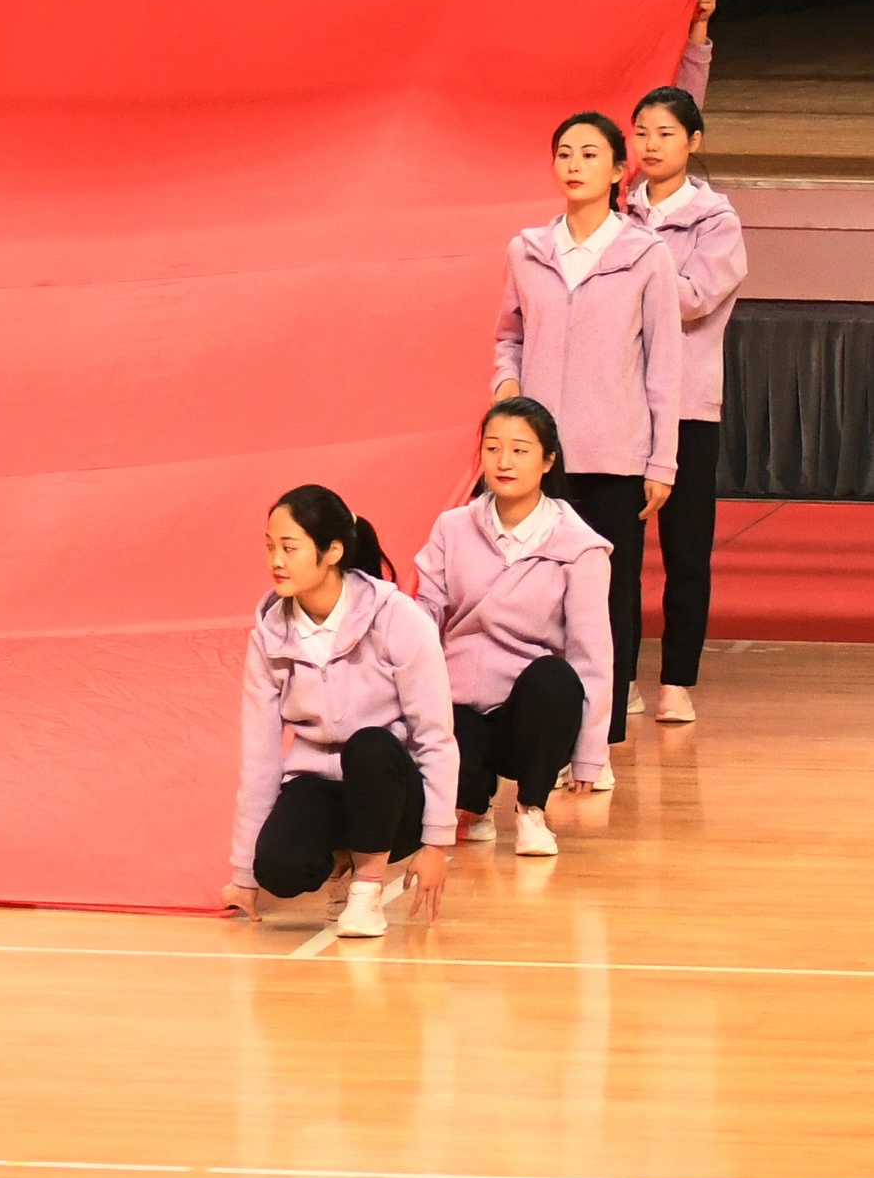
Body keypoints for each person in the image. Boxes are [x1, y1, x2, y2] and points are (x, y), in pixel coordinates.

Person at [493, 109, 686, 768]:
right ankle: (538, 731)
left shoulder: (646, 255)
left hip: (615, 455)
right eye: (564, 153)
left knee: (609, 596)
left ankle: (598, 740)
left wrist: (662, 460)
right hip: (538, 460)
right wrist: (506, 386)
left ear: (617, 171)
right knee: (534, 595)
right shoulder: (527, 250)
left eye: (589, 154)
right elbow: (509, 335)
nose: (574, 165)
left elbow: (664, 363)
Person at [229, 484, 454, 938]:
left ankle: (368, 887)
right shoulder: (269, 636)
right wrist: (243, 874)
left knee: (369, 745)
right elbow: (260, 758)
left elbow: (434, 735)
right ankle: (341, 862)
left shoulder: (397, 617)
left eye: (290, 548)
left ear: (332, 551)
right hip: (321, 785)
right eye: (270, 547)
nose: (276, 561)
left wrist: (436, 843)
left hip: (392, 793)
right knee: (277, 868)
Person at [421, 396, 611, 860]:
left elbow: (592, 655)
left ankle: (531, 809)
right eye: (493, 448)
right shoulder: (451, 527)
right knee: (450, 772)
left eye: (520, 450)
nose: (504, 461)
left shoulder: (580, 547)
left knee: (557, 678)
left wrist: (590, 754)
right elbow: (424, 618)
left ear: (548, 460)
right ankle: (474, 804)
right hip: (459, 705)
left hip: (529, 713)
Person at [624, 87, 744, 726]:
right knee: (613, 553)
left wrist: (636, 262)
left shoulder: (716, 221)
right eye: (642, 132)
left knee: (686, 550)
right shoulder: (617, 210)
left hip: (688, 408)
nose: (651, 144)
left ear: (693, 142)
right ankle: (619, 679)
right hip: (619, 406)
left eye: (666, 133)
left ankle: (676, 681)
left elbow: (694, 299)